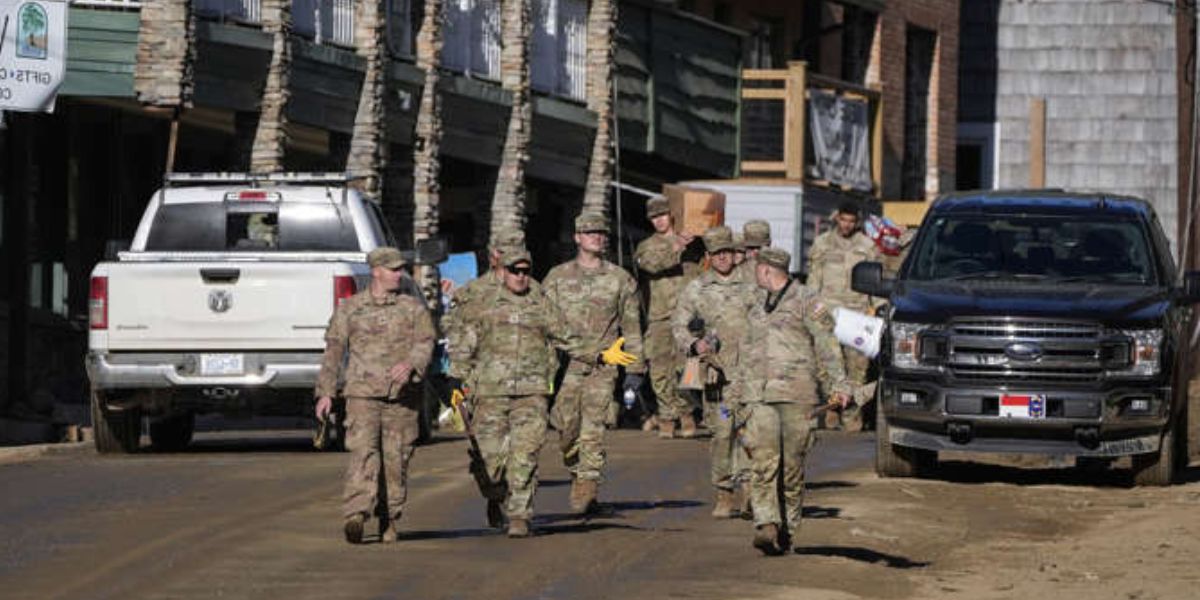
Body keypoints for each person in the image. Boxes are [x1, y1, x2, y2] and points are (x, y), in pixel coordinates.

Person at [448, 248, 621, 537]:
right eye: (514, 270)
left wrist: (601, 356)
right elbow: (464, 343)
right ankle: (496, 495)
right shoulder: (482, 303)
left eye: (525, 271)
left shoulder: (541, 303)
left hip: (532, 393)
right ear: (502, 271)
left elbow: (568, 338)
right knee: (490, 462)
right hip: (490, 392)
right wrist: (454, 380)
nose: (520, 276)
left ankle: (519, 515)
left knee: (525, 454)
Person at [314, 247, 436, 544]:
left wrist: (411, 365)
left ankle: (389, 517)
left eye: (400, 269)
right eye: (393, 269)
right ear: (376, 271)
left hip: (402, 397)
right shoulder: (350, 308)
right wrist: (326, 392)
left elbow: (426, 342)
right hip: (362, 394)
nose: (399, 274)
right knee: (363, 453)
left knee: (396, 459)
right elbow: (333, 351)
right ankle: (356, 513)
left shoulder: (412, 309)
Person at [740, 247, 849, 555]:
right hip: (759, 394)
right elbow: (744, 348)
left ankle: (787, 526)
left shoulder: (807, 301)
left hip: (798, 396)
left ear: (766, 270)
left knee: (791, 467)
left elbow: (828, 345)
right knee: (762, 461)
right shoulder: (755, 302)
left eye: (756, 269)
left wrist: (840, 383)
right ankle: (765, 524)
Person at [543, 213, 645, 514]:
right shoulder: (557, 278)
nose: (597, 237)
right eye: (590, 233)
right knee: (566, 430)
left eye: (601, 233)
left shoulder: (620, 279)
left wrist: (635, 370)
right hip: (567, 366)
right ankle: (577, 473)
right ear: (577, 237)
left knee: (593, 428)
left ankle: (587, 483)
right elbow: (545, 324)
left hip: (605, 366)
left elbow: (632, 327)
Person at [672, 225, 758, 518]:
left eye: (726, 252)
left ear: (735, 255)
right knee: (722, 433)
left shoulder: (753, 285)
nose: (722, 258)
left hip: (749, 376)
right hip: (717, 378)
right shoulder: (697, 288)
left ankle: (749, 491)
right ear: (708, 256)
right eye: (715, 253)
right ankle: (724, 492)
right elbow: (678, 325)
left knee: (749, 433)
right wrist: (693, 345)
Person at [806, 202, 879, 430]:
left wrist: (877, 308)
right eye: (843, 219)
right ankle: (833, 408)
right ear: (836, 218)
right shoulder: (822, 243)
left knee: (857, 367)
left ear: (857, 222)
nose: (846, 225)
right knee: (829, 365)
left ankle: (852, 414)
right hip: (828, 313)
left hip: (856, 314)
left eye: (851, 221)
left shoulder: (867, 246)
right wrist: (811, 305)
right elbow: (814, 278)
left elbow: (874, 283)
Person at [634, 197, 701, 438]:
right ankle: (666, 415)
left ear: (671, 215)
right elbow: (651, 265)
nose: (659, 221)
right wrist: (676, 246)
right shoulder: (647, 246)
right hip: (659, 317)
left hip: (686, 317)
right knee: (660, 369)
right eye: (654, 217)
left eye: (662, 215)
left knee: (686, 368)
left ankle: (686, 413)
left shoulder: (694, 244)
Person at [734, 220, 771, 284]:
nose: (756, 252)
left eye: (759, 248)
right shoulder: (735, 274)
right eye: (751, 248)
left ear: (769, 245)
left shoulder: (777, 271)